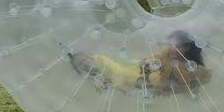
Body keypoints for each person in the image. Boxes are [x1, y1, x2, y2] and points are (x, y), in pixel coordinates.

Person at [67, 30, 210, 96]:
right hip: (141, 73)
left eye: (176, 46)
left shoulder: (194, 69)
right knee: (119, 71)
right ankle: (98, 75)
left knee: (121, 77)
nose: (171, 48)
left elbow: (181, 85)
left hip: (155, 83)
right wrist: (146, 66)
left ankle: (103, 78)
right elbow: (150, 60)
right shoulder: (166, 54)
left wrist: (162, 85)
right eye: (170, 45)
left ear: (186, 47)